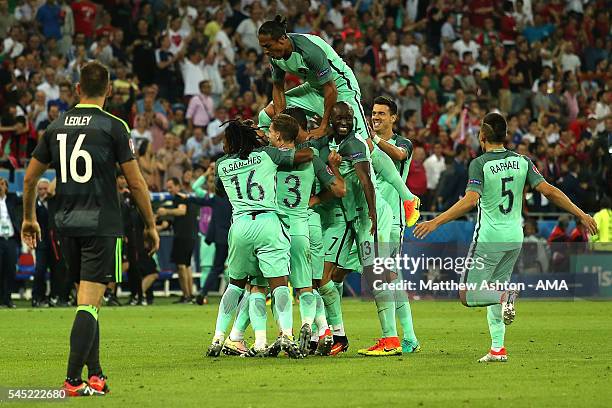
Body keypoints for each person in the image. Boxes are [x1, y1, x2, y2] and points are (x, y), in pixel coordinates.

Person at [21, 61, 159, 396]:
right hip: (101, 224)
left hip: (65, 225)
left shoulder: (55, 126)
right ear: (109, 91)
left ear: (78, 89)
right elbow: (136, 183)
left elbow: (29, 178)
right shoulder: (113, 126)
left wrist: (29, 218)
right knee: (88, 301)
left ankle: (95, 374)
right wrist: (150, 224)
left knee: (89, 300)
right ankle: (72, 380)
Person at [414, 112, 597, 363]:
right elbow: (549, 191)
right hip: (514, 237)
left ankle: (506, 296)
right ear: (506, 135)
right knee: (493, 290)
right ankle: (498, 348)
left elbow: (470, 200)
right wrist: (581, 213)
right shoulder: (522, 161)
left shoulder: (480, 163)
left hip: (490, 238)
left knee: (468, 294)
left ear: (483, 136)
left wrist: (435, 221)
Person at [206, 116, 315, 358]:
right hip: (268, 222)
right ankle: (286, 335)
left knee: (236, 285)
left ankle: (218, 338)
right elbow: (302, 156)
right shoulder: (267, 154)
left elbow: (220, 191)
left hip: (241, 225)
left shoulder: (221, 164)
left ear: (232, 141)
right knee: (278, 284)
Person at [366, 96, 421, 354]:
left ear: (393, 118)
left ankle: (401, 337)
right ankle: (408, 337)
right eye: (373, 113)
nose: (376, 117)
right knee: (392, 277)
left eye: (381, 114)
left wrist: (374, 141)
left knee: (387, 276)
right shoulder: (366, 144)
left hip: (395, 217)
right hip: (372, 216)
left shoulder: (403, 143)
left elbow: (399, 155)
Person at [257, 15, 370, 140]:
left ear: (282, 39)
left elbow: (330, 89)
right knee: (266, 116)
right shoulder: (274, 56)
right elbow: (278, 88)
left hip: (340, 86)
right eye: (263, 47)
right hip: (314, 88)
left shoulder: (309, 51)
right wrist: (281, 123)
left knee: (363, 141)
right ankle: (271, 152)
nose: (266, 52)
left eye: (267, 46)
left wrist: (323, 126)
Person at [157, 177, 199, 303]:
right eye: (168, 187)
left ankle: (186, 296)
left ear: (177, 186)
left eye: (171, 187)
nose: (169, 190)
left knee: (181, 266)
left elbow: (181, 211)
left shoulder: (179, 198)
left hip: (183, 236)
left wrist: (165, 211)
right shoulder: (186, 197)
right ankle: (189, 295)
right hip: (190, 235)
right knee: (186, 266)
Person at [0, 177, 20, 309]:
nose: (0, 186)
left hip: (11, 239)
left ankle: (8, 299)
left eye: (2, 184)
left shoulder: (12, 199)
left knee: (10, 270)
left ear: (6, 187)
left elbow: (27, 200)